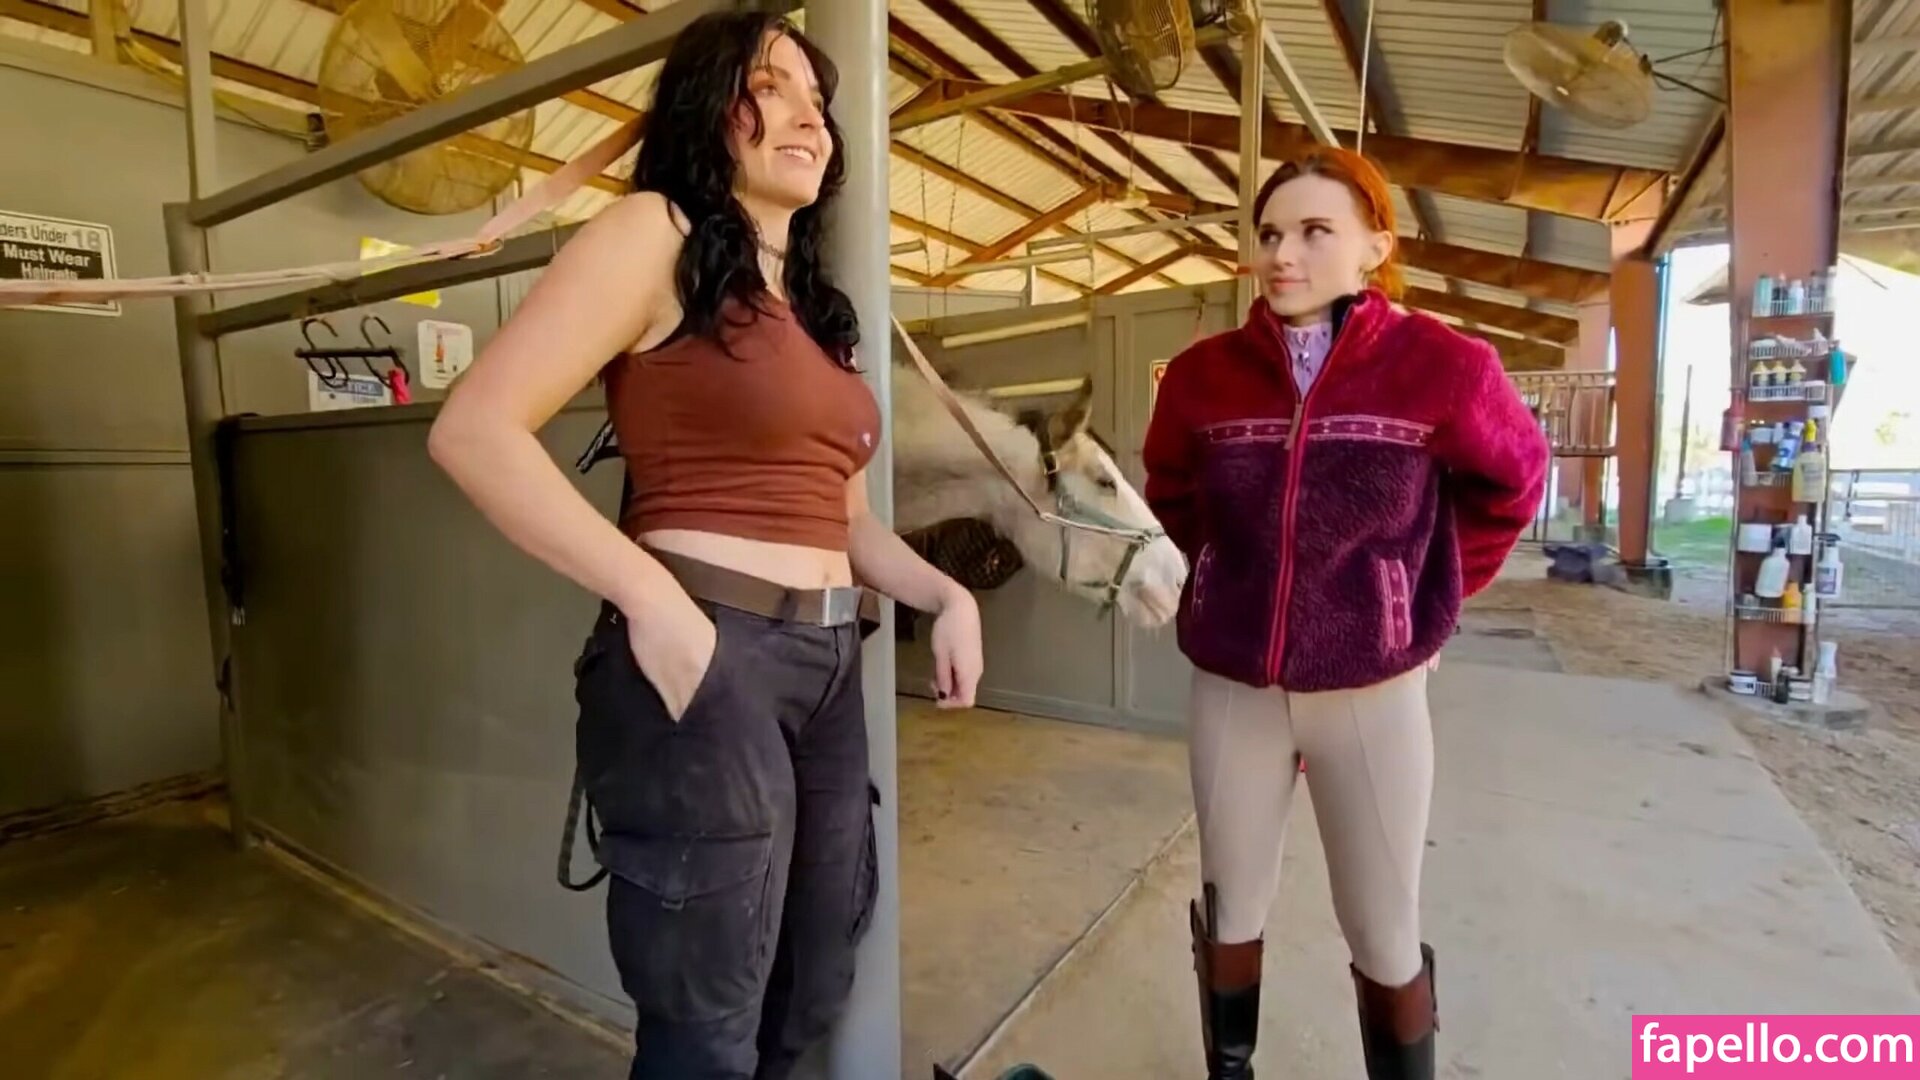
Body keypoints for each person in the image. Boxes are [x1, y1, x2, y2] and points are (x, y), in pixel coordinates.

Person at [427, 11, 985, 1078]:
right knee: (707, 1015)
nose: (807, 117)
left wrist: (947, 596)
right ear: (707, 108)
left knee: (813, 980)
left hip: (830, 662)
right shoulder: (657, 234)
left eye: (817, 100)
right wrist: (654, 602)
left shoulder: (816, 312)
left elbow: (847, 523)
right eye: (769, 87)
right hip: (715, 646)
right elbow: (475, 431)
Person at [1142, 147, 1549, 1080]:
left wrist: (1421, 599)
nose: (1283, 254)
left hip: (1371, 694)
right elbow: (1172, 490)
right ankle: (1231, 1071)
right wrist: (1225, 577)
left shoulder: (1445, 367)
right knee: (1231, 904)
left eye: (1315, 231)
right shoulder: (1203, 377)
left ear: (1376, 244)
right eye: (1270, 234)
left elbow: (1514, 483)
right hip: (1235, 687)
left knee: (1381, 923)